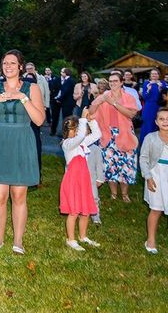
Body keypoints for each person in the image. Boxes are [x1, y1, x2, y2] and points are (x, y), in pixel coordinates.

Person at [0, 49, 45, 255]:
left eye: (12, 63)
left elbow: (39, 120)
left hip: (21, 140)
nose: (8, 66)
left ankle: (18, 241)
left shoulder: (31, 88)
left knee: (18, 194)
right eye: (5, 63)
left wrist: (22, 98)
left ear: (20, 66)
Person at [89, 72, 139, 202]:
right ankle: (113, 193)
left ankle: (124, 194)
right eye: (110, 81)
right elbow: (91, 112)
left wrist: (114, 103)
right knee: (110, 164)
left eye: (115, 81)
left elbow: (131, 114)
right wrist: (97, 101)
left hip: (125, 134)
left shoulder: (129, 97)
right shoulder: (104, 97)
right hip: (108, 134)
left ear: (121, 82)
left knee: (126, 163)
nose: (112, 83)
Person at [59, 111, 102, 251]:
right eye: (73, 129)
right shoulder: (68, 144)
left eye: (77, 128)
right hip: (73, 182)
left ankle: (83, 236)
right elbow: (80, 137)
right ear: (66, 131)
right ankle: (71, 239)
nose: (76, 132)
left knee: (86, 211)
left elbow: (97, 135)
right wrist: (83, 120)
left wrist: (91, 121)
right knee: (74, 211)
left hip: (84, 181)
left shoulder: (82, 143)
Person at [140, 107, 168, 254]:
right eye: (162, 119)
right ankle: (151, 240)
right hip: (156, 175)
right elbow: (143, 158)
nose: (165, 122)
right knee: (156, 209)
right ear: (156, 122)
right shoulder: (150, 138)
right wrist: (148, 177)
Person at [139, 68, 167, 146]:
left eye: (156, 74)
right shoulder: (146, 83)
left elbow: (164, 97)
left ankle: (158, 145)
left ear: (159, 75)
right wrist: (148, 90)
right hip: (149, 107)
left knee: (158, 125)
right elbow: (144, 97)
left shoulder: (163, 83)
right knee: (148, 124)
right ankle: (145, 144)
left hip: (159, 107)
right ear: (150, 75)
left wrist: (160, 88)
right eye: (152, 74)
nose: (154, 75)